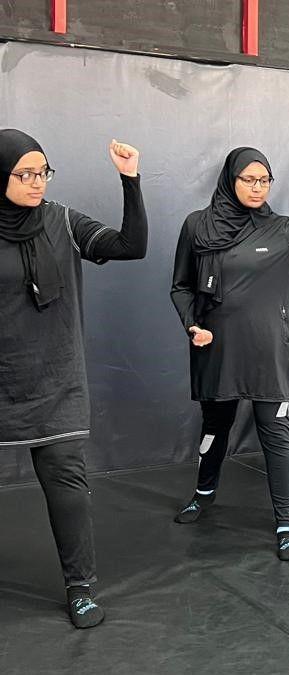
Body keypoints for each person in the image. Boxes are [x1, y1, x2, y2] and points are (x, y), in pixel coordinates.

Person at [0, 130, 147, 628]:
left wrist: (130, 181)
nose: (36, 182)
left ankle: (80, 588)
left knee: (66, 481)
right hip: (3, 372)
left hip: (55, 375)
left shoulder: (62, 220)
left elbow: (131, 246)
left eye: (43, 171)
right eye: (24, 173)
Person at [169, 147, 289, 561]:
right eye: (248, 179)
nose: (257, 187)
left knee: (275, 435)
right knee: (216, 425)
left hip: (270, 352)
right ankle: (203, 493)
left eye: (264, 180)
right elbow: (181, 286)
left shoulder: (284, 229)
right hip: (217, 348)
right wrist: (192, 324)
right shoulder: (198, 226)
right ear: (231, 179)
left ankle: (285, 523)